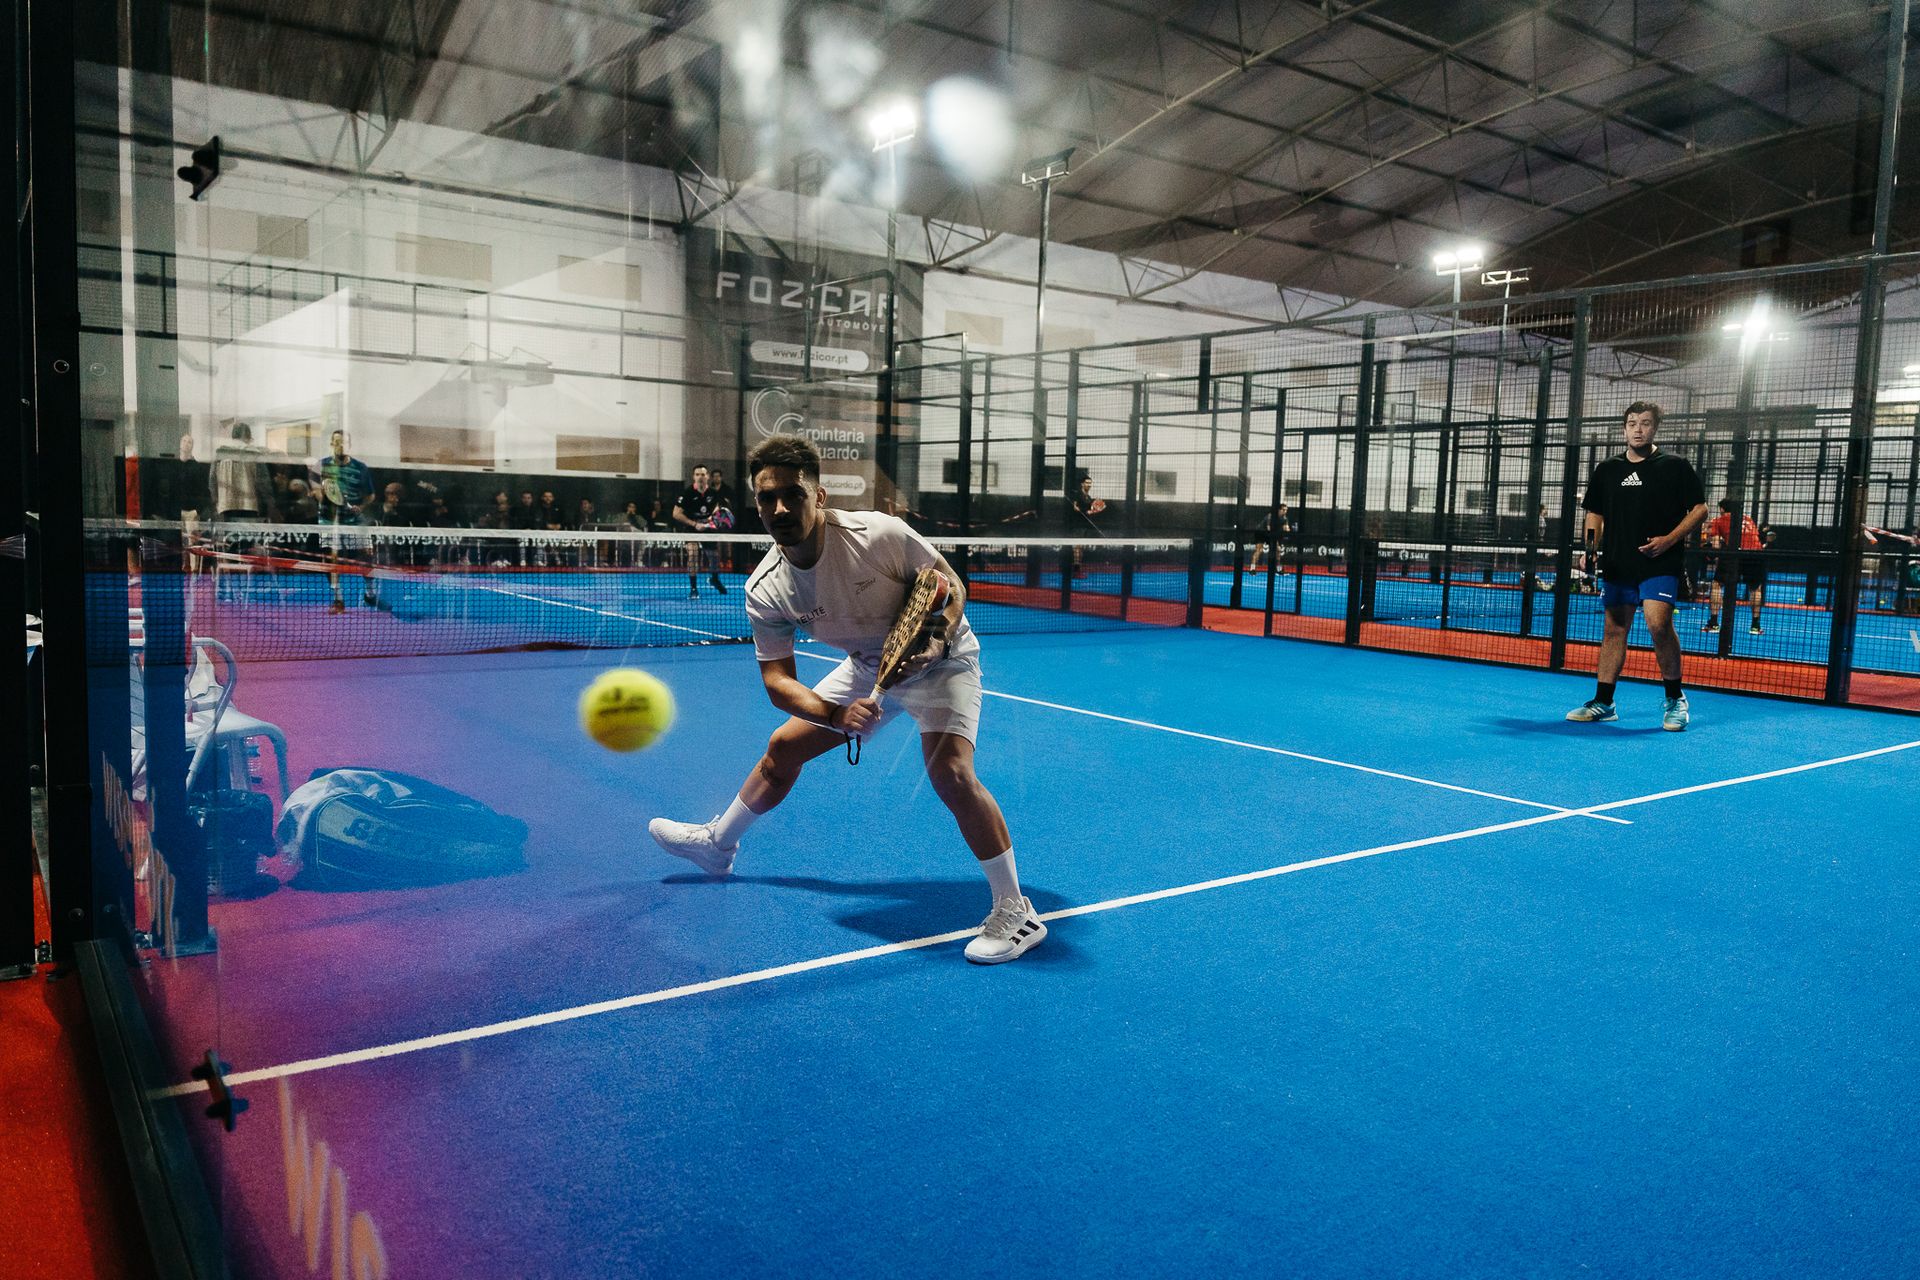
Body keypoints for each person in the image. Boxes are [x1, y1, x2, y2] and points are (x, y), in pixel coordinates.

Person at [647, 434, 1045, 964]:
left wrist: (932, 640)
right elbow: (778, 682)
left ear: (820, 496)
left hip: (942, 662)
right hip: (866, 666)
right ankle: (718, 845)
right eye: (768, 498)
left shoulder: (878, 535)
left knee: (950, 773)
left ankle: (1017, 911)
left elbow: (948, 587)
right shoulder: (766, 588)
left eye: (794, 494)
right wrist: (836, 714)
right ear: (756, 502)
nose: (781, 508)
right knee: (782, 750)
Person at [1565, 402, 1709, 731]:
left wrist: (1669, 540)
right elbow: (1594, 514)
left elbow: (1699, 510)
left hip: (1660, 561)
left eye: (1645, 423)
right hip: (1618, 561)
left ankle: (1675, 699)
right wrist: (1590, 548)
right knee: (1614, 630)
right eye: (1632, 423)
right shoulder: (1607, 469)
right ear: (1624, 428)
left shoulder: (1675, 466)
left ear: (1655, 428)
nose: (1638, 429)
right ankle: (1604, 702)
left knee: (1658, 624)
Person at [311, 429, 376, 612]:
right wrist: (325, 496)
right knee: (332, 559)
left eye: (345, 442)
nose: (341, 446)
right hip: (329, 520)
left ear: (350, 445)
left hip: (354, 520)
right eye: (337, 442)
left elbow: (370, 495)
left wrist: (361, 507)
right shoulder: (320, 465)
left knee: (367, 555)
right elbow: (317, 492)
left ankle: (369, 594)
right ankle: (338, 599)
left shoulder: (360, 467)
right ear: (332, 444)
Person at [1703, 498, 1767, 636]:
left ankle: (1714, 623)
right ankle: (1755, 626)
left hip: (1735, 553)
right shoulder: (1748, 519)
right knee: (1755, 588)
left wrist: (1711, 554)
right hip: (1756, 554)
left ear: (1722, 509)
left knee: (1717, 585)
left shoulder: (1718, 520)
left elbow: (1715, 546)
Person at [673, 464, 727, 597]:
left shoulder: (713, 494)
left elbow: (716, 510)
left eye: (703, 474)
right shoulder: (687, 493)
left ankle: (714, 579)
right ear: (693, 477)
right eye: (697, 474)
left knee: (714, 557)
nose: (700, 477)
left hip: (707, 528)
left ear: (707, 477)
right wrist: (694, 524)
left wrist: (711, 520)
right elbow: (676, 513)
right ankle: (693, 588)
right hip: (691, 528)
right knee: (692, 554)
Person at [209, 423, 272, 521]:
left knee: (229, 535)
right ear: (247, 436)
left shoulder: (220, 453)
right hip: (249, 506)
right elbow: (263, 483)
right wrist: (269, 503)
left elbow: (212, 480)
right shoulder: (254, 454)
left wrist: (216, 501)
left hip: (225, 505)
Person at [1247, 502, 1295, 575]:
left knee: (1278, 550)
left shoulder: (1285, 518)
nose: (1285, 511)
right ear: (1279, 510)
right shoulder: (1271, 516)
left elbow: (1286, 528)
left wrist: (1288, 530)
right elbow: (1269, 528)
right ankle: (1252, 569)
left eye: (1286, 510)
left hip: (1271, 534)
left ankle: (1278, 570)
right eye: (1283, 510)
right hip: (1261, 533)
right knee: (1259, 550)